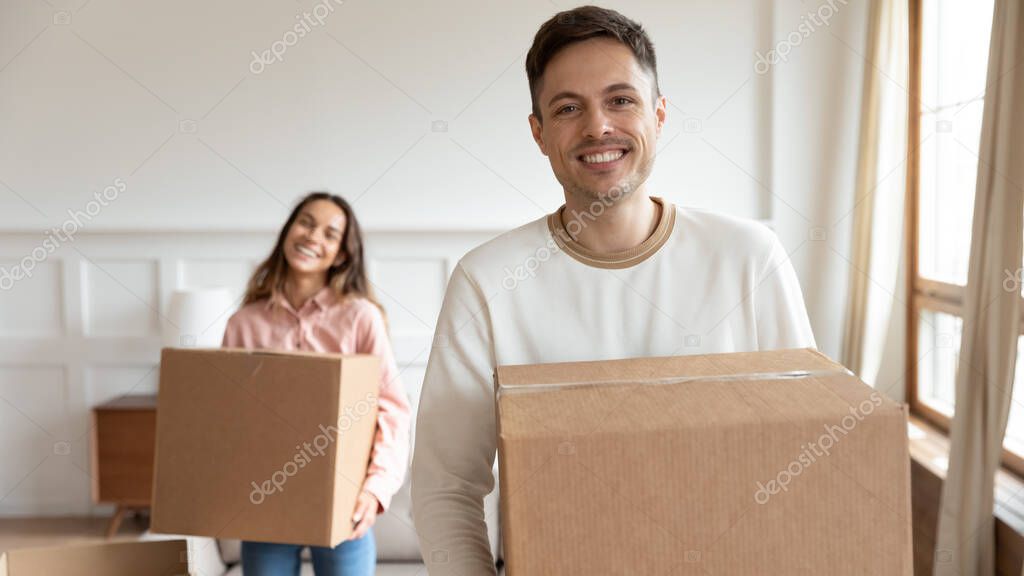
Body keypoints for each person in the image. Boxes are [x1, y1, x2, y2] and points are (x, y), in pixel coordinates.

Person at [410, 5, 817, 575]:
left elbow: (805, 459)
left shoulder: (751, 259)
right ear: (539, 133)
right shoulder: (486, 281)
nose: (597, 126)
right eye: (568, 108)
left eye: (620, 100)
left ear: (659, 113)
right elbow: (444, 487)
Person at [222, 191, 411, 576]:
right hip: (267, 499)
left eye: (330, 233)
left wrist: (375, 490)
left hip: (344, 498)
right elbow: (227, 416)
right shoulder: (245, 323)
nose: (312, 237)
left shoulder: (360, 318)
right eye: (306, 223)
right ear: (288, 230)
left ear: (342, 254)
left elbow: (391, 410)